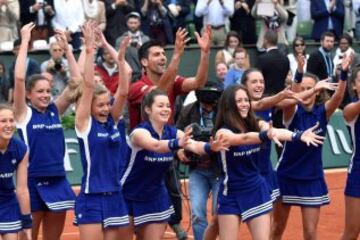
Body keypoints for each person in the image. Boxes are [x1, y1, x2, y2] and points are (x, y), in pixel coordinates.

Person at [213, 85, 324, 240]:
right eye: (239, 100)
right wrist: (265, 135)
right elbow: (242, 138)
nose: (245, 103)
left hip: (256, 190)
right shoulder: (222, 132)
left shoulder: (256, 123)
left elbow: (275, 131)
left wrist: (297, 136)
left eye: (246, 100)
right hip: (231, 193)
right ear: (229, 105)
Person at [121, 89, 226, 240]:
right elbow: (156, 145)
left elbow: (195, 145)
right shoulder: (139, 133)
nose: (166, 109)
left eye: (168, 106)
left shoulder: (172, 132)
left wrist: (211, 147)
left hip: (155, 197)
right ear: (148, 109)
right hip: (128, 195)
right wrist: (177, 143)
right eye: (160, 106)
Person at [271, 54, 352, 240]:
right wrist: (299, 72)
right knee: (277, 229)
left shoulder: (323, 112)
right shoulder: (291, 111)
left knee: (310, 233)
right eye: (303, 88)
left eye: (311, 88)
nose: (306, 92)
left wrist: (344, 73)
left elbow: (339, 96)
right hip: (286, 176)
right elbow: (293, 95)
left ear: (317, 92)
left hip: (311, 178)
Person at [13, 23, 81, 240]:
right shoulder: (23, 114)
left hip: (57, 180)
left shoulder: (55, 110)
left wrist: (68, 49)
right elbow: (20, 79)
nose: (45, 95)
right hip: (31, 182)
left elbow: (77, 84)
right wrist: (25, 41)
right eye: (39, 92)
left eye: (48, 91)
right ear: (28, 95)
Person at [73, 22, 132, 240]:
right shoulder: (84, 124)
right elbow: (88, 86)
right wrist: (89, 51)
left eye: (108, 104)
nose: (106, 108)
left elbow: (124, 90)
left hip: (115, 195)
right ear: (88, 107)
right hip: (91, 197)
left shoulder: (112, 121)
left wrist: (120, 57)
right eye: (101, 105)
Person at [176, 82, 222, 240]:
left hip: (219, 170)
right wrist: (179, 151)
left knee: (220, 215)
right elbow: (177, 135)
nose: (209, 107)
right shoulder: (188, 111)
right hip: (197, 170)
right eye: (205, 104)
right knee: (196, 214)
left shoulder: (223, 111)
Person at [0, 104, 31, 240]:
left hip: (7, 202)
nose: (9, 125)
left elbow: (22, 189)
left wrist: (27, 224)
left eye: (11, 120)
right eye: (3, 121)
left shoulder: (20, 148)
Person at [341, 67, 360, 240]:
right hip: (358, 174)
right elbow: (348, 113)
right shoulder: (351, 109)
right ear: (354, 86)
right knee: (352, 232)